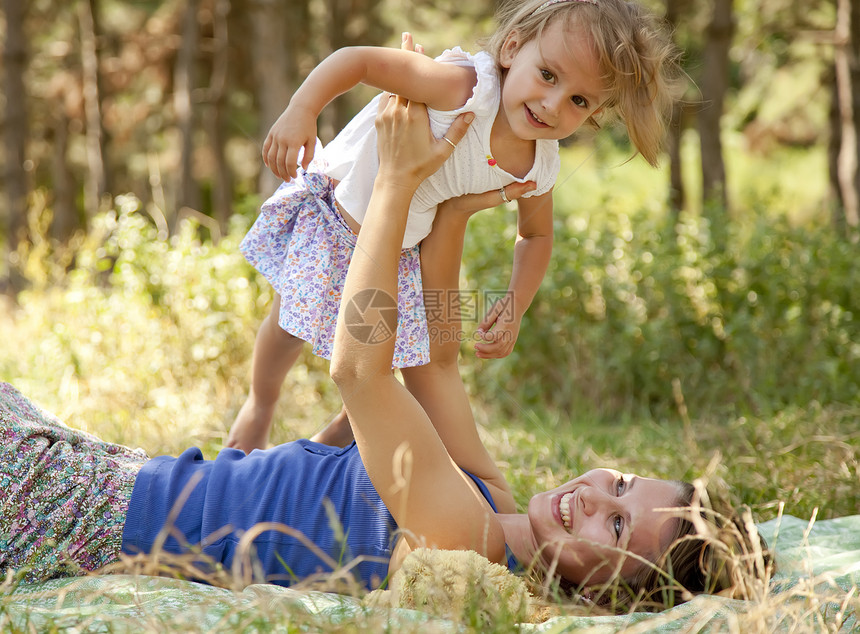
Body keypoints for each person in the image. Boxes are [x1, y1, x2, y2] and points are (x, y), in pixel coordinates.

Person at [0, 96, 767, 609]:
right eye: (624, 483)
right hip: (112, 471)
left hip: (75, 513)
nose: (596, 497)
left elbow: (360, 370)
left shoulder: (462, 542)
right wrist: (455, 210)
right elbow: (431, 360)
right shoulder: (491, 503)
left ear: (605, 597)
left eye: (618, 528)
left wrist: (397, 186)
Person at [228, 0, 682, 452]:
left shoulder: (539, 164)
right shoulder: (465, 89)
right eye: (548, 74)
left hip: (401, 257)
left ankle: (320, 450)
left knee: (384, 365)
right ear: (511, 48)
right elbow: (359, 60)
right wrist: (301, 110)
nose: (552, 104)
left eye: (579, 100)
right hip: (341, 221)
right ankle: (260, 406)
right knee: (288, 326)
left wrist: (516, 302)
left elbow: (537, 235)